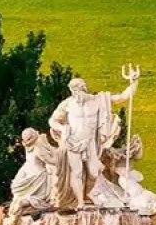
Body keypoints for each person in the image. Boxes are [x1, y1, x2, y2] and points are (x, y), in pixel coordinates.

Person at [48, 65, 138, 207]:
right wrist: (62, 128)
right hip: (72, 142)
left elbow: (123, 97)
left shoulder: (98, 101)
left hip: (90, 142)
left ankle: (88, 194)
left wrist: (134, 82)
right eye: (72, 91)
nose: (75, 94)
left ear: (83, 89)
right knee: (76, 172)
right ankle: (80, 202)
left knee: (94, 172)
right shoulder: (68, 104)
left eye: (77, 91)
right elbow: (52, 121)